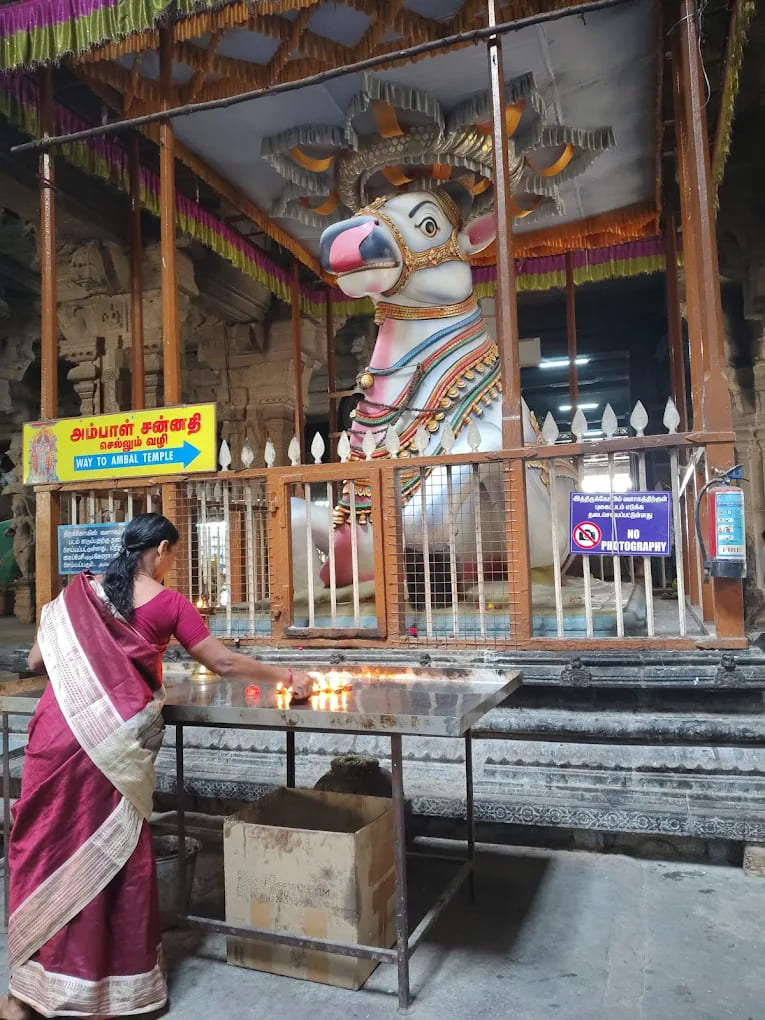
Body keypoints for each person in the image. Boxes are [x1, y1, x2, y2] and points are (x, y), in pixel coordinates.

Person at [1, 513, 311, 1020]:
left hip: (54, 739)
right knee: (109, 860)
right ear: (162, 550)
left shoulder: (77, 595)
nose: (174, 565)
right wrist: (287, 674)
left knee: (44, 851)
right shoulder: (169, 604)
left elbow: (37, 661)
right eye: (175, 556)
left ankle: (27, 994)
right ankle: (105, 993)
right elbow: (224, 664)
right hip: (112, 750)